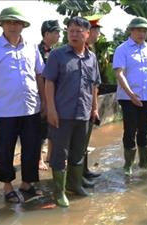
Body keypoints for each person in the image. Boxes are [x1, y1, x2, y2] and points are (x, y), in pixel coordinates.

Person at [0, 7, 45, 203]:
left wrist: (45, 102)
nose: (13, 26)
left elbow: (39, 75)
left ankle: (27, 183)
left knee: (32, 148)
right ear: (2, 25)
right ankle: (7, 187)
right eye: (8, 22)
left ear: (23, 25)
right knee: (5, 149)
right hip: (5, 110)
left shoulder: (32, 47)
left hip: (31, 108)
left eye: (16, 22)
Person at [43, 17, 101, 207]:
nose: (74, 34)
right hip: (62, 114)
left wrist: (94, 108)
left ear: (87, 34)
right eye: (70, 31)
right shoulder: (57, 55)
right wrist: (50, 109)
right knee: (60, 154)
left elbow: (94, 85)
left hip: (83, 114)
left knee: (78, 153)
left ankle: (75, 186)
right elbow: (49, 83)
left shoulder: (91, 57)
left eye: (78, 31)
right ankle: (59, 192)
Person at [113, 17, 147, 176]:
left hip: (146, 97)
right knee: (130, 129)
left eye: (144, 31)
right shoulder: (122, 49)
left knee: (144, 129)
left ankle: (144, 163)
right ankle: (128, 164)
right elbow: (119, 73)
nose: (142, 33)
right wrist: (131, 95)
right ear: (131, 31)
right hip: (128, 98)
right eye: (138, 30)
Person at [80, 14, 103, 181]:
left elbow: (95, 83)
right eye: (97, 31)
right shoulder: (74, 51)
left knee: (84, 141)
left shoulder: (91, 53)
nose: (99, 35)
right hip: (76, 105)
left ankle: (83, 172)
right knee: (77, 143)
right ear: (89, 31)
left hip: (87, 103)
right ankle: (77, 176)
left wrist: (94, 107)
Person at [38, 20, 62, 171]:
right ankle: (39, 159)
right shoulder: (37, 51)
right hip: (40, 95)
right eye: (56, 32)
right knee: (40, 130)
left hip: (54, 95)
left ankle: (50, 156)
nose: (59, 35)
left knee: (53, 127)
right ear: (46, 34)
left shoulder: (56, 52)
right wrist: (43, 100)